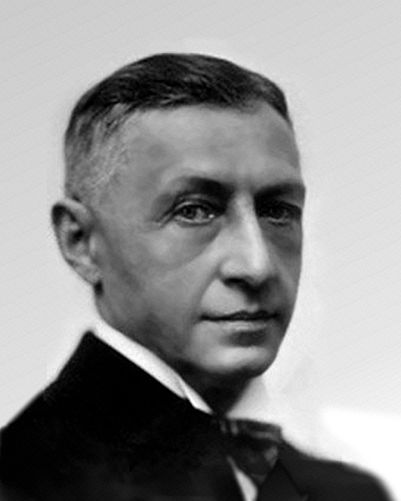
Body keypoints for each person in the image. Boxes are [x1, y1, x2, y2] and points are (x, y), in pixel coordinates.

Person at [0, 53, 391, 501]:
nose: (257, 265)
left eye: (278, 211)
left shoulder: (346, 490)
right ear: (80, 241)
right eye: (194, 211)